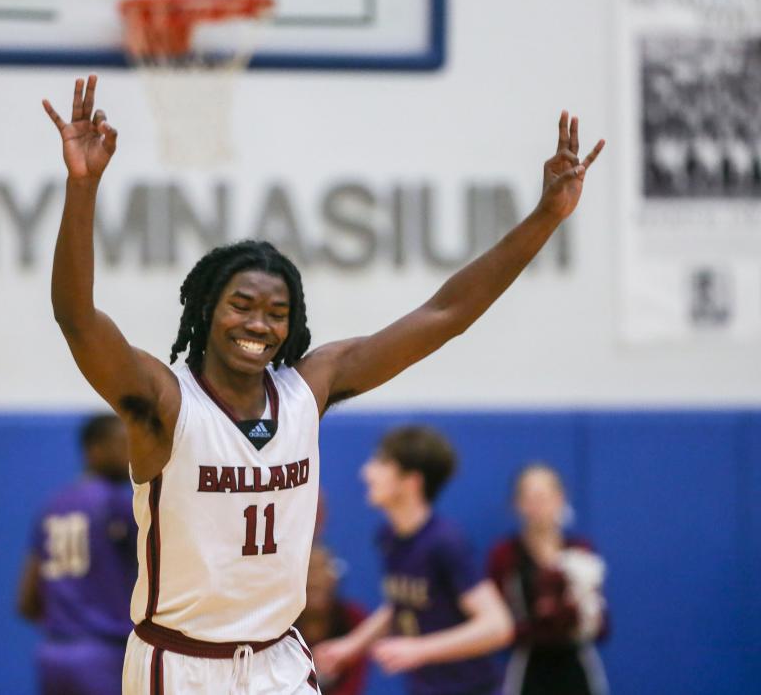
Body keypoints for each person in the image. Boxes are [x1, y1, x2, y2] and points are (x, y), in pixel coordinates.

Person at [42, 74, 604, 694]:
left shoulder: (310, 386)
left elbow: (444, 315)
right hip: (180, 665)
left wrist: (546, 217)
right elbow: (77, 319)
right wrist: (82, 187)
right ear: (206, 311)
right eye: (242, 305)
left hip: (279, 662)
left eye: (276, 312)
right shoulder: (166, 402)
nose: (258, 323)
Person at [313, 426, 512, 695]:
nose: (367, 472)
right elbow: (401, 603)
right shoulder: (390, 537)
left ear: (411, 481)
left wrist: (420, 649)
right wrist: (351, 646)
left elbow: (497, 626)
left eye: (381, 463)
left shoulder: (444, 542)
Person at [16, 414, 138, 695]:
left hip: (53, 654)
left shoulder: (53, 505)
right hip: (104, 654)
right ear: (94, 450)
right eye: (122, 444)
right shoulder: (117, 503)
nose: (132, 453)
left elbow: (25, 601)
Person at [487, 464, 609, 695]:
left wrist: (573, 619)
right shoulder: (504, 555)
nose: (537, 505)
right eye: (529, 497)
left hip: (575, 665)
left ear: (560, 498)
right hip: (529, 666)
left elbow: (600, 624)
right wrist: (540, 624)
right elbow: (496, 624)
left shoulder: (581, 552)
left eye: (543, 496)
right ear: (517, 504)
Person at [294, 545, 370, 695]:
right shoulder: (280, 626)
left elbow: (353, 686)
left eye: (321, 569)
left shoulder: (355, 621)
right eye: (309, 570)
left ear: (334, 577)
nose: (315, 580)